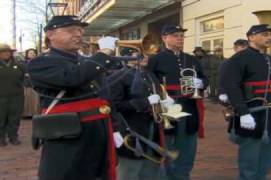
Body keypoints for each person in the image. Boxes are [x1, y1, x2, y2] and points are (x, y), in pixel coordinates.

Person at [27, 15, 140, 180]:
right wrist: (103, 54)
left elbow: (104, 96)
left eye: (80, 30)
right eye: (70, 30)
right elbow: (72, 78)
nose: (78, 34)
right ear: (50, 34)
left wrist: (116, 127)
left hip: (98, 132)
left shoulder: (86, 62)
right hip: (68, 137)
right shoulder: (40, 63)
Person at [221, 24, 271, 180]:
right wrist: (243, 113)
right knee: (249, 160)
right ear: (251, 37)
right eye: (264, 34)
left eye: (270, 35)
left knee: (267, 158)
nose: (269, 37)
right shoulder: (238, 59)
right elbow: (232, 87)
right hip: (252, 114)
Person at [147, 24, 208, 180]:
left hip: (189, 106)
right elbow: (148, 81)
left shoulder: (191, 59)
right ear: (164, 38)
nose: (180, 38)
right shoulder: (155, 59)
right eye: (175, 35)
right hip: (167, 107)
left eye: (181, 35)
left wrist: (200, 83)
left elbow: (204, 78)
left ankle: (183, 175)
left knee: (188, 146)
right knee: (166, 146)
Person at [103, 54, 170, 180]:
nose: (144, 57)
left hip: (152, 126)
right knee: (129, 172)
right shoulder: (117, 77)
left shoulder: (150, 75)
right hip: (131, 128)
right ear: (127, 57)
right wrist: (143, 103)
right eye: (138, 55)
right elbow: (113, 105)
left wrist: (164, 102)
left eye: (145, 55)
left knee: (151, 170)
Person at [0, 43, 25, 147]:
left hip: (16, 96)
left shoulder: (18, 65)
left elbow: (23, 77)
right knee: (1, 118)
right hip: (1, 96)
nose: (6, 54)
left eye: (8, 51)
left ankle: (13, 137)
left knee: (14, 118)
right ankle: (1, 138)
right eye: (3, 52)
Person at [23, 48, 40, 117]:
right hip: (26, 84)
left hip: (36, 83)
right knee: (27, 99)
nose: (32, 54)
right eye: (30, 53)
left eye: (33, 53)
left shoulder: (39, 63)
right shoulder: (23, 63)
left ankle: (35, 113)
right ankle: (26, 114)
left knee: (35, 99)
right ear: (27, 54)